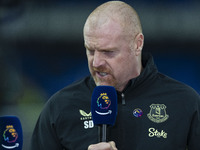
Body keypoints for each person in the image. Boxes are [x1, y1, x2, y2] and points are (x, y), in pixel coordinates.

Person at [30, 1, 200, 150]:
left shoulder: (185, 102)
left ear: (137, 44)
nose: (96, 62)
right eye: (90, 50)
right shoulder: (60, 106)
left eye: (108, 52)